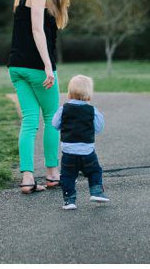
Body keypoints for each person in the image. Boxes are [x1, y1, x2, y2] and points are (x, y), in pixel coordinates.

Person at [7, 0, 70, 194]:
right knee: (52, 118)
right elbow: (36, 30)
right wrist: (47, 65)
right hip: (35, 67)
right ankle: (53, 174)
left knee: (30, 121)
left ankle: (27, 179)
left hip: (16, 67)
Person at [52, 74, 108, 210]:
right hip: (87, 151)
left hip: (68, 152)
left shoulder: (63, 109)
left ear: (69, 93)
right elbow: (99, 128)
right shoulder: (92, 110)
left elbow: (55, 124)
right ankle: (96, 192)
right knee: (94, 171)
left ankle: (69, 201)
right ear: (89, 94)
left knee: (68, 176)